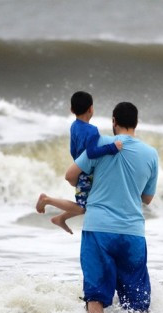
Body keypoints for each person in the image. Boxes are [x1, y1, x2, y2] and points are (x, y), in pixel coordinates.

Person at [64, 101, 159, 313]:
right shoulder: (150, 154)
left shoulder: (101, 143)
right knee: (137, 300)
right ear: (136, 123)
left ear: (113, 121)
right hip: (132, 233)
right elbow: (147, 198)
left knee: (95, 295)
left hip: (99, 229)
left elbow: (70, 175)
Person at [36, 91, 122, 234]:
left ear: (71, 110)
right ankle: (47, 200)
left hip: (80, 169)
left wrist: (78, 164)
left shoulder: (74, 126)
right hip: (86, 173)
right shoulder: (92, 130)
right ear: (91, 109)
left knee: (86, 203)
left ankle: (60, 219)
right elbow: (91, 153)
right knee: (83, 207)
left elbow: (73, 150)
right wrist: (112, 148)